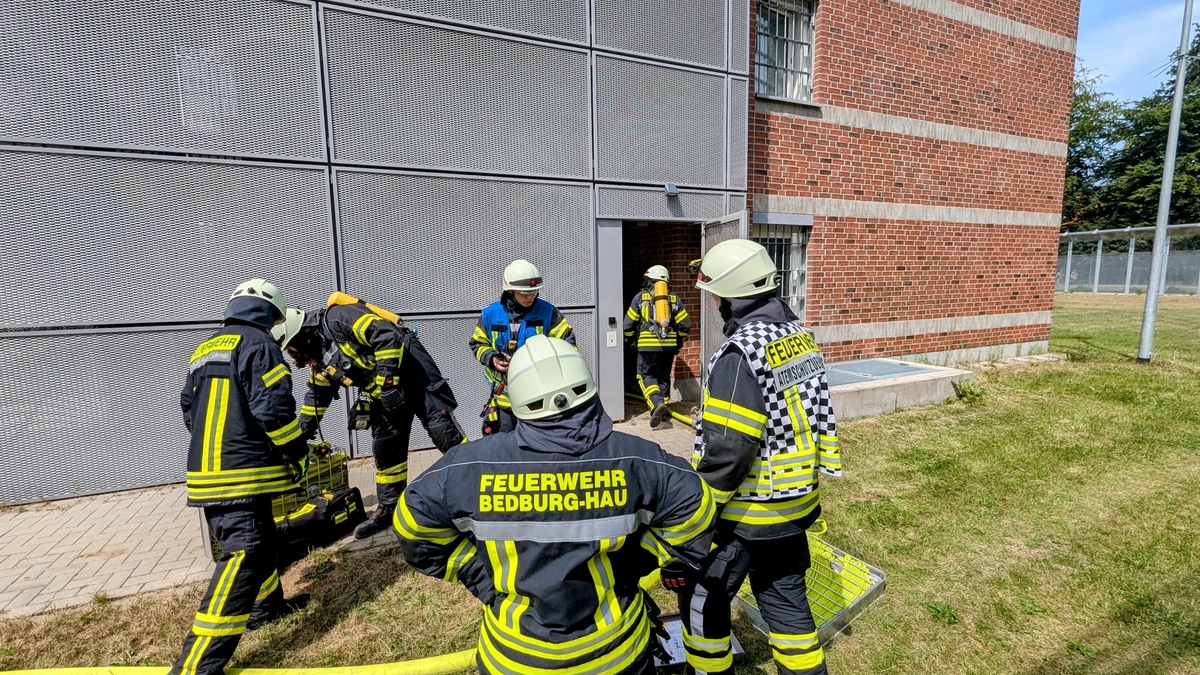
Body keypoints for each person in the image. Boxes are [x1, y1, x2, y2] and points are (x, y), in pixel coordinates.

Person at [396, 335, 717, 675]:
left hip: (512, 659)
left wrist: (483, 579)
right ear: (589, 389)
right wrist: (634, 563)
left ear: (517, 402)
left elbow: (410, 524)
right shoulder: (637, 459)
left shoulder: (467, 467)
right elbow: (698, 511)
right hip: (615, 654)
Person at [664, 239, 842, 675]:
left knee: (704, 600)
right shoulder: (798, 337)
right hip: (793, 507)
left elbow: (730, 450)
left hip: (745, 513)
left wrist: (699, 515)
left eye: (716, 295)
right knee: (786, 601)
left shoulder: (740, 352)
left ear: (730, 296)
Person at [171, 279, 311, 675]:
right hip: (240, 475)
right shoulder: (260, 346)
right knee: (244, 555)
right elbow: (275, 413)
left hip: (211, 471)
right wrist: (296, 453)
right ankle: (196, 665)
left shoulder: (204, 348)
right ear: (271, 314)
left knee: (260, 540)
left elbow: (187, 410)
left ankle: (267, 609)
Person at [273, 293, 466, 540]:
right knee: (386, 448)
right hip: (386, 393)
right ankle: (390, 508)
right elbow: (317, 397)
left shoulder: (338, 318)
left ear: (299, 335)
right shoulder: (320, 356)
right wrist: (302, 434)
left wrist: (388, 383)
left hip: (415, 374)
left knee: (444, 433)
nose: (293, 356)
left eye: (291, 349)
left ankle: (478, 487)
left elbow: (386, 334)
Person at [469, 259, 575, 435]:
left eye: (534, 292)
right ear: (510, 291)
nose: (530, 297)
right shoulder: (490, 314)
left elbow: (568, 344)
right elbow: (477, 343)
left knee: (538, 442)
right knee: (507, 445)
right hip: (504, 397)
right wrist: (492, 358)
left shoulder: (548, 312)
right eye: (524, 293)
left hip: (538, 395)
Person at [623, 264, 691, 428]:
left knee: (645, 376)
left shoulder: (640, 298)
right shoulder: (674, 299)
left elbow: (627, 325)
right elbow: (685, 325)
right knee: (663, 377)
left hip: (647, 346)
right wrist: (678, 340)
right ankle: (664, 414)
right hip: (668, 347)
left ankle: (656, 403)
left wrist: (630, 341)